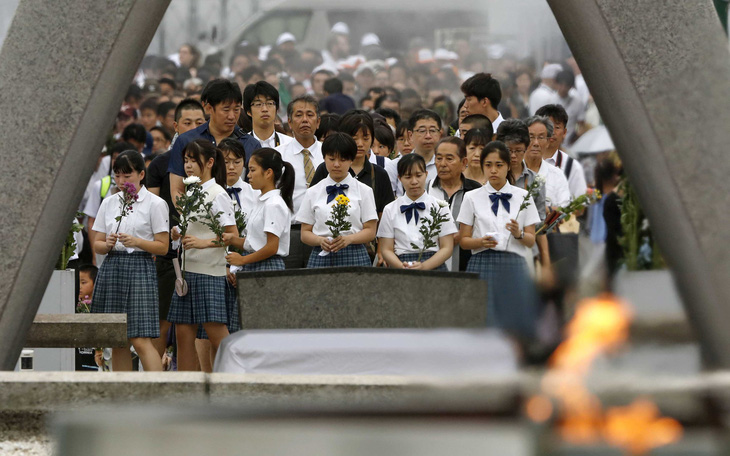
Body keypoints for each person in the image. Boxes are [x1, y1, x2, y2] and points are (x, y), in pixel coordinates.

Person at [91, 151, 169, 371]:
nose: (122, 182)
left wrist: (136, 241)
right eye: (118, 176)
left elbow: (163, 246)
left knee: (140, 338)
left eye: (128, 176)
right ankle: (123, 397)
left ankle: (158, 392)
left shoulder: (155, 203)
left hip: (140, 266)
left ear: (141, 174)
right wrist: (106, 245)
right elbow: (96, 242)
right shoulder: (109, 202)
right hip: (113, 266)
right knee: (118, 339)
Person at [457, 141, 541, 340]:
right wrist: (480, 242)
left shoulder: (523, 196)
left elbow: (531, 241)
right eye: (488, 165)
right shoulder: (471, 197)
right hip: (481, 261)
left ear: (508, 166)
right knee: (481, 316)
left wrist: (518, 233)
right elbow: (463, 241)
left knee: (514, 316)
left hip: (513, 262)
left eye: (499, 165)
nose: (493, 170)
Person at [167, 139, 238, 371]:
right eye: (185, 160)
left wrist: (202, 242)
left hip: (209, 272)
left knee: (218, 334)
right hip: (187, 273)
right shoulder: (191, 192)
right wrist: (179, 233)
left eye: (193, 160)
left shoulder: (218, 193)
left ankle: (237, 384)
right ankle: (186, 392)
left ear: (209, 162)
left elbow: (231, 235)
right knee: (183, 335)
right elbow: (197, 230)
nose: (187, 166)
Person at [147, 98, 206, 361]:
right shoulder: (160, 164)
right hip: (168, 252)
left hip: (202, 249)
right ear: (175, 126)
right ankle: (154, 378)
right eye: (187, 123)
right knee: (162, 322)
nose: (194, 128)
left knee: (194, 325)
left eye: (199, 123)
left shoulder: (211, 161)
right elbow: (153, 206)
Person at [168, 79, 261, 211]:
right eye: (226, 109)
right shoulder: (186, 141)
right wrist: (195, 217)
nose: (232, 116)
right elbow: (177, 190)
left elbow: (256, 190)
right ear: (208, 108)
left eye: (236, 109)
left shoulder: (250, 144)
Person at [297, 133, 378, 267]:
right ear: (324, 158)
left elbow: (370, 231)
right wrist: (320, 241)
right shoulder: (313, 192)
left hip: (355, 253)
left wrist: (349, 239)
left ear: (351, 160)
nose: (336, 164)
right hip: (322, 254)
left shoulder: (364, 190)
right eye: (332, 158)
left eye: (343, 160)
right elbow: (305, 233)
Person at [379, 153, 456, 270]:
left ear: (426, 174)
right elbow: (386, 249)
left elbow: (447, 247)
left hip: (434, 265)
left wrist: (425, 266)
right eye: (408, 177)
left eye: (418, 175)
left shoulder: (441, 207)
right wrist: (402, 266)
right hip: (401, 265)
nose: (414, 181)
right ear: (399, 178)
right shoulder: (390, 209)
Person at [225, 148, 293, 271]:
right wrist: (232, 239)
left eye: (252, 170)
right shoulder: (262, 200)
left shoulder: (274, 204)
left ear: (268, 173)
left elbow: (272, 247)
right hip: (256, 263)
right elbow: (256, 243)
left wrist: (242, 260)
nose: (248, 175)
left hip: (268, 265)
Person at [276, 95, 323, 268]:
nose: (304, 120)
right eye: (299, 115)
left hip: (322, 234)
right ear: (289, 122)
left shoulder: (330, 154)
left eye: (310, 115)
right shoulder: (277, 156)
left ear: (318, 121)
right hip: (290, 232)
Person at [426, 137, 481, 271]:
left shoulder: (476, 191)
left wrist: (463, 234)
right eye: (438, 158)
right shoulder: (425, 190)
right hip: (431, 266)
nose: (442, 164)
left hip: (467, 266)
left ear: (464, 163)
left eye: (449, 159)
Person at [535, 104, 587, 199]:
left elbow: (580, 206)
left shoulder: (572, 167)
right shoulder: (522, 160)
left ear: (564, 132)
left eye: (557, 127)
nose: (552, 132)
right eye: (548, 126)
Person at [524, 116, 571, 208]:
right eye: (531, 137)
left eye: (541, 137)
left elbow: (563, 210)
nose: (536, 143)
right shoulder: (511, 170)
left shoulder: (557, 176)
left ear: (548, 142)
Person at [243, 81, 294, 150]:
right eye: (258, 104)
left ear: (276, 109)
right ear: (249, 111)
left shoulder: (290, 144)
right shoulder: (241, 145)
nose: (265, 109)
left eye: (270, 103)